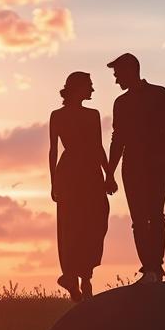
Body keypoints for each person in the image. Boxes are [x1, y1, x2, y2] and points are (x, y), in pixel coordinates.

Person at [105, 53, 165, 284]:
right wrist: (109, 173)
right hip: (131, 167)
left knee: (155, 215)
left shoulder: (159, 94)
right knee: (138, 219)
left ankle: (155, 269)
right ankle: (148, 269)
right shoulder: (121, 102)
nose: (117, 80)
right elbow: (118, 139)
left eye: (118, 75)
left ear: (131, 71)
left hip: (156, 165)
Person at [48, 72, 112, 301]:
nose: (92, 90)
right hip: (71, 174)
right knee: (71, 227)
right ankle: (74, 278)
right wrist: (53, 181)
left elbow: (98, 145)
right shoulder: (57, 116)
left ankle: (83, 275)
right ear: (78, 88)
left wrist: (109, 174)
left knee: (96, 221)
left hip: (90, 173)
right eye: (89, 86)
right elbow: (53, 150)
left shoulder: (92, 115)